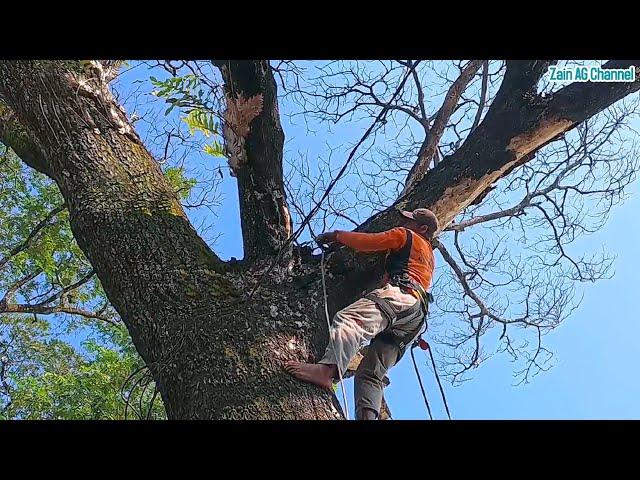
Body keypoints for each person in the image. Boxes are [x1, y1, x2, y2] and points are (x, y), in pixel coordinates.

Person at [284, 207, 438, 420]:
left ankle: (327, 370)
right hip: (415, 317)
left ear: (421, 228)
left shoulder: (407, 236)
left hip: (400, 296)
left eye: (410, 221)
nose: (404, 224)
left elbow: (371, 242)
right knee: (370, 374)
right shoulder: (429, 257)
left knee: (350, 320)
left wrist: (338, 236)